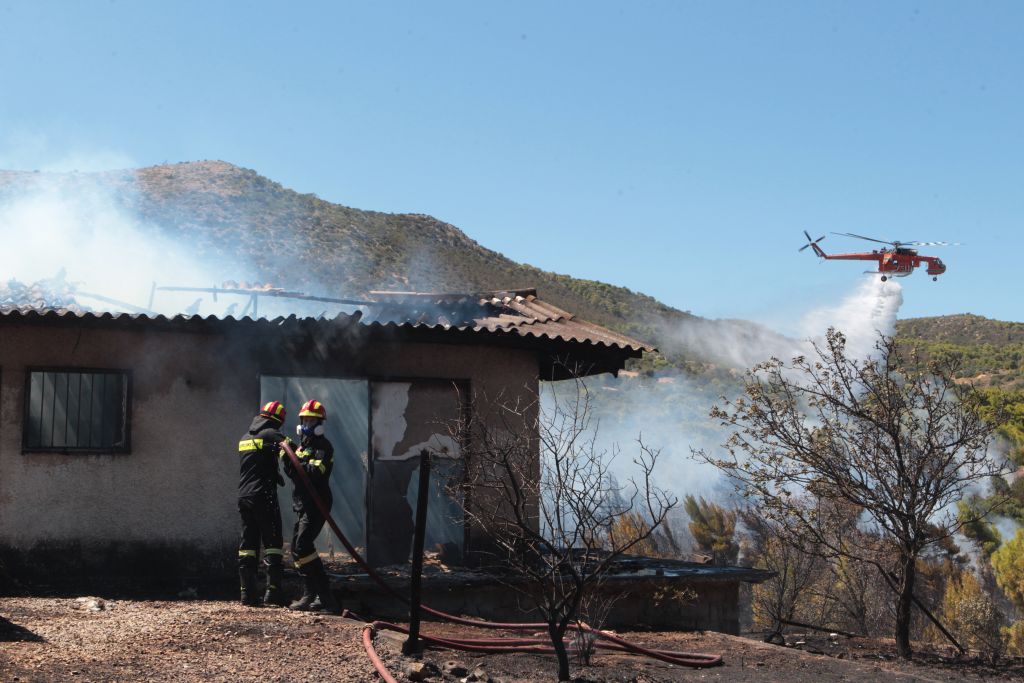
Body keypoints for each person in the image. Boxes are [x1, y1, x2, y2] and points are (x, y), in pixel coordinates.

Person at [281, 399, 340, 614]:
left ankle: (324, 598)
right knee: (298, 548)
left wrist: (295, 460)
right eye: (305, 419)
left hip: (317, 503)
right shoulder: (304, 447)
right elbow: (294, 475)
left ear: (320, 422)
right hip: (302, 503)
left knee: (303, 546)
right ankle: (314, 594)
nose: (307, 423)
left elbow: (312, 474)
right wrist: (287, 458)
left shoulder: (323, 447)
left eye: (312, 419)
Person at [236, 400, 289, 607]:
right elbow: (292, 451)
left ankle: (247, 595)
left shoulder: (245, 437)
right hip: (263, 496)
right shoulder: (271, 434)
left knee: (248, 544)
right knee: (273, 543)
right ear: (277, 420)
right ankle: (273, 594)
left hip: (244, 496)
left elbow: (257, 463)